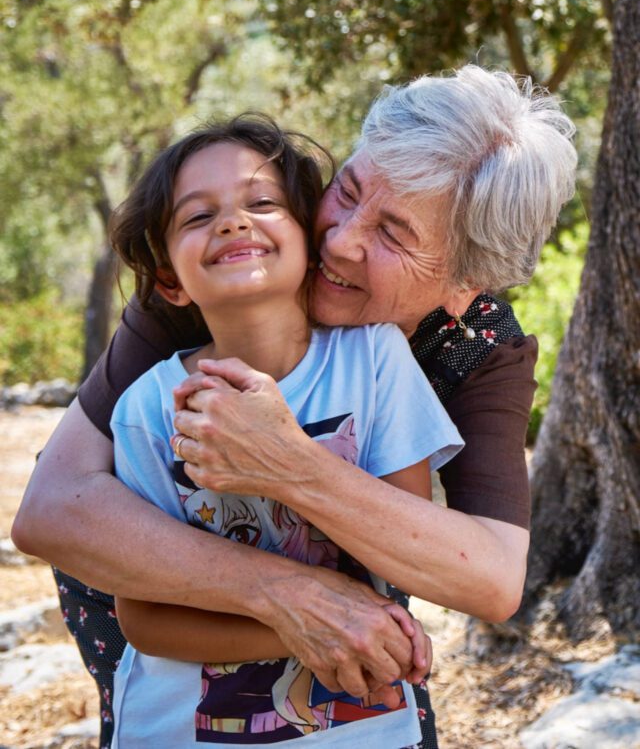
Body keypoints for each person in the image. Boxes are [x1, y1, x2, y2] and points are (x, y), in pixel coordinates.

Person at [12, 65, 577, 749]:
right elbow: (54, 507)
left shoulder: (475, 345)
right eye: (350, 190)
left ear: (465, 282)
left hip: (351, 641)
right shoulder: (231, 268)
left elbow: (489, 577)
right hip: (163, 604)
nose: (338, 239)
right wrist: (288, 596)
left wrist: (289, 465)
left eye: (394, 233)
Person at [106, 114, 461, 747]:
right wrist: (302, 622)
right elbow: (143, 617)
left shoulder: (375, 361)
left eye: (262, 203)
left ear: (309, 241)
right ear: (169, 280)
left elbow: (402, 543)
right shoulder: (147, 407)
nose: (234, 222)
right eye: (197, 217)